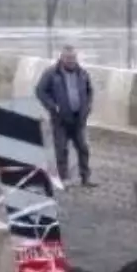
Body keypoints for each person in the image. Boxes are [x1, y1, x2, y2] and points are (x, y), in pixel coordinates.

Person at [34, 45, 97, 187]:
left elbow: (89, 91)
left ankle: (86, 178)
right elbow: (40, 91)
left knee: (83, 148)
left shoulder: (82, 73)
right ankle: (63, 178)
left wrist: (87, 107)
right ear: (62, 58)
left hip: (78, 118)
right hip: (60, 119)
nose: (71, 61)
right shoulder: (51, 73)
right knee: (61, 149)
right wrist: (52, 106)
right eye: (68, 58)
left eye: (73, 58)